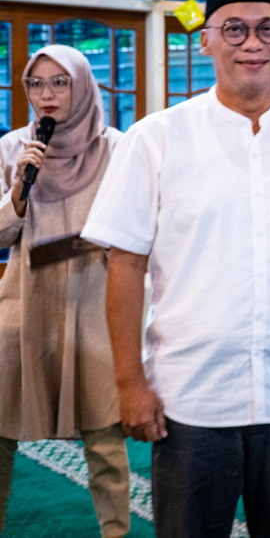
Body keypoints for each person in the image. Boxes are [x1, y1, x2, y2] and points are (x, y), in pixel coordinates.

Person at [81, 0, 270, 538]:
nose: (251, 44)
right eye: (234, 29)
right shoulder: (157, 138)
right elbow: (125, 264)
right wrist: (129, 382)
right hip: (192, 400)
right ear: (207, 39)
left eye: (267, 28)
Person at [0, 45, 129, 537]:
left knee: (104, 440)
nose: (46, 94)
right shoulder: (13, 148)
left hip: (94, 303)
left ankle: (116, 531)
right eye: (36, 84)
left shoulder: (116, 148)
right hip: (25, 303)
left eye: (60, 82)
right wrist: (18, 188)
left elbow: (136, 229)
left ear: (82, 85)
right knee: (0, 430)